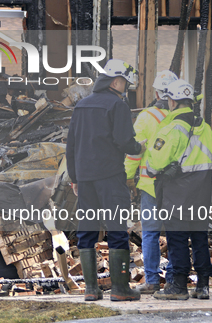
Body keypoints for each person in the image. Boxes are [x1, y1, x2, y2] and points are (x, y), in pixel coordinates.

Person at [66, 59, 145, 302]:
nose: (126, 87)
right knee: (117, 229)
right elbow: (124, 141)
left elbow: (71, 145)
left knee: (87, 232)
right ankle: (120, 289)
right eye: (124, 82)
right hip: (110, 177)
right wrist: (138, 148)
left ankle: (91, 290)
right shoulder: (117, 106)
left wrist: (75, 178)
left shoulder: (82, 106)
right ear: (115, 81)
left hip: (86, 180)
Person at [146, 79, 212, 300]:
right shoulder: (204, 127)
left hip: (176, 193)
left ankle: (178, 286)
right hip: (201, 193)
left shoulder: (171, 128)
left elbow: (154, 163)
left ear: (172, 101)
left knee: (177, 238)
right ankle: (203, 285)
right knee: (199, 237)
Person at [124, 70, 178, 294]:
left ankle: (153, 281)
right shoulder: (184, 117)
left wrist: (127, 177)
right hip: (176, 185)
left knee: (150, 233)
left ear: (156, 92)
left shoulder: (146, 117)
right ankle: (175, 281)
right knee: (176, 233)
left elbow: (134, 152)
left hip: (149, 185)